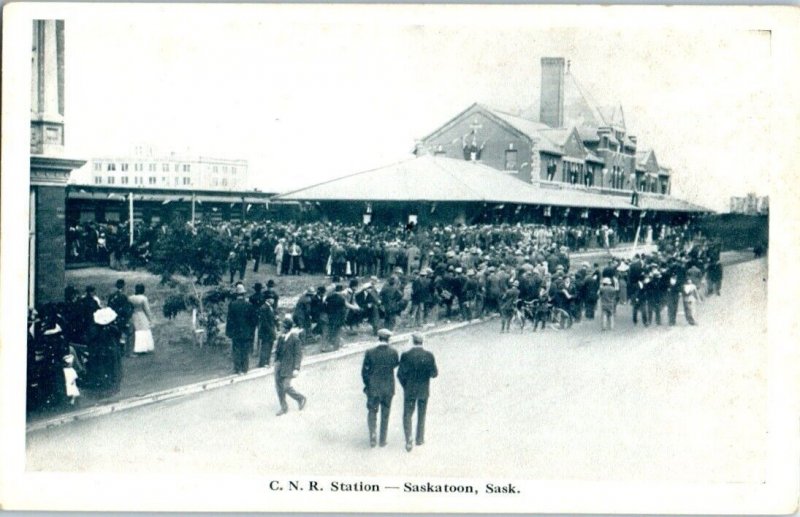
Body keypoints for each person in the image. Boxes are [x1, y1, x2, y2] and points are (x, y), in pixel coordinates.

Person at [397, 333, 438, 452]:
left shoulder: (406, 355)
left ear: (413, 341)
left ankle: (409, 439)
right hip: (424, 390)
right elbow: (434, 374)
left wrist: (406, 386)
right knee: (422, 414)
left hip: (410, 390)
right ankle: (420, 439)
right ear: (422, 342)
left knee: (407, 415)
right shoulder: (429, 355)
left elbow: (400, 374)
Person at [361, 328, 400, 448]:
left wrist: (368, 384)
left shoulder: (370, 352)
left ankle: (373, 435)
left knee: (372, 411)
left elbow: (364, 372)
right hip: (388, 387)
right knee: (385, 413)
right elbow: (395, 365)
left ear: (379, 338)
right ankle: (383, 440)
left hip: (373, 388)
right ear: (388, 339)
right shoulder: (393, 352)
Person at [84, 307, 123, 396]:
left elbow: (90, 340)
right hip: (111, 349)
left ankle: (105, 384)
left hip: (100, 351)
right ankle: (112, 385)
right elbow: (118, 336)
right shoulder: (112, 328)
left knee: (104, 368)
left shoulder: (95, 329)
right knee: (113, 367)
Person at [274, 315, 306, 415]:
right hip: (279, 365)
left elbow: (298, 354)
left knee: (286, 387)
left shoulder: (295, 339)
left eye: (282, 327)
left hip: (289, 367)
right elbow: (277, 352)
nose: (280, 329)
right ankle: (283, 407)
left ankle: (300, 398)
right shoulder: (281, 338)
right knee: (279, 387)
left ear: (287, 328)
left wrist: (296, 368)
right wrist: (276, 362)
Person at [225, 284, 257, 374]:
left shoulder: (232, 305)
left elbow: (229, 320)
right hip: (246, 332)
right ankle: (245, 368)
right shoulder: (249, 305)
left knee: (236, 350)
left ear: (236, 294)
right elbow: (253, 320)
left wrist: (228, 332)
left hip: (236, 332)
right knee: (245, 350)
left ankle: (238, 369)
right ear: (244, 294)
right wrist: (251, 331)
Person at [107, 279, 133, 357]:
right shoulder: (123, 296)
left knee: (117, 334)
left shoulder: (112, 295)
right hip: (122, 318)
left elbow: (109, 306)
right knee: (128, 333)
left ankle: (118, 350)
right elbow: (126, 308)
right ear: (123, 286)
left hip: (113, 318)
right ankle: (127, 352)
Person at [129, 283, 155, 354]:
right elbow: (147, 309)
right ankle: (143, 347)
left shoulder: (131, 298)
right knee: (144, 330)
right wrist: (150, 319)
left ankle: (135, 347)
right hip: (141, 314)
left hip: (133, 314)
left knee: (136, 331)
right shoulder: (143, 298)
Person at [257, 298, 277, 367]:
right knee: (265, 346)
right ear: (268, 299)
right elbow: (265, 322)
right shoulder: (264, 308)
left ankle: (267, 361)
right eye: (272, 299)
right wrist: (271, 330)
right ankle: (263, 362)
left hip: (270, 330)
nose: (273, 300)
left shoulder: (269, 307)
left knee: (269, 346)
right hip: (266, 331)